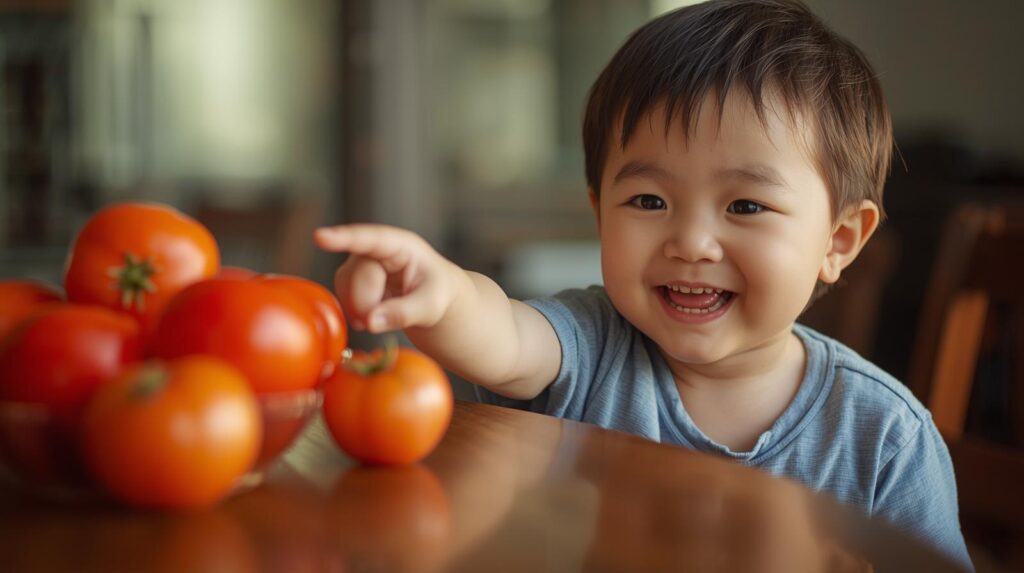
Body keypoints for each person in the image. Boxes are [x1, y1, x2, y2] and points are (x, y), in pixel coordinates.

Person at [314, 0, 972, 568]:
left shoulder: (883, 436)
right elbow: (504, 333)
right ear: (600, 210)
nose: (690, 241)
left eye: (745, 206)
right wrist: (445, 291)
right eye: (650, 200)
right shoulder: (593, 347)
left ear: (838, 241)